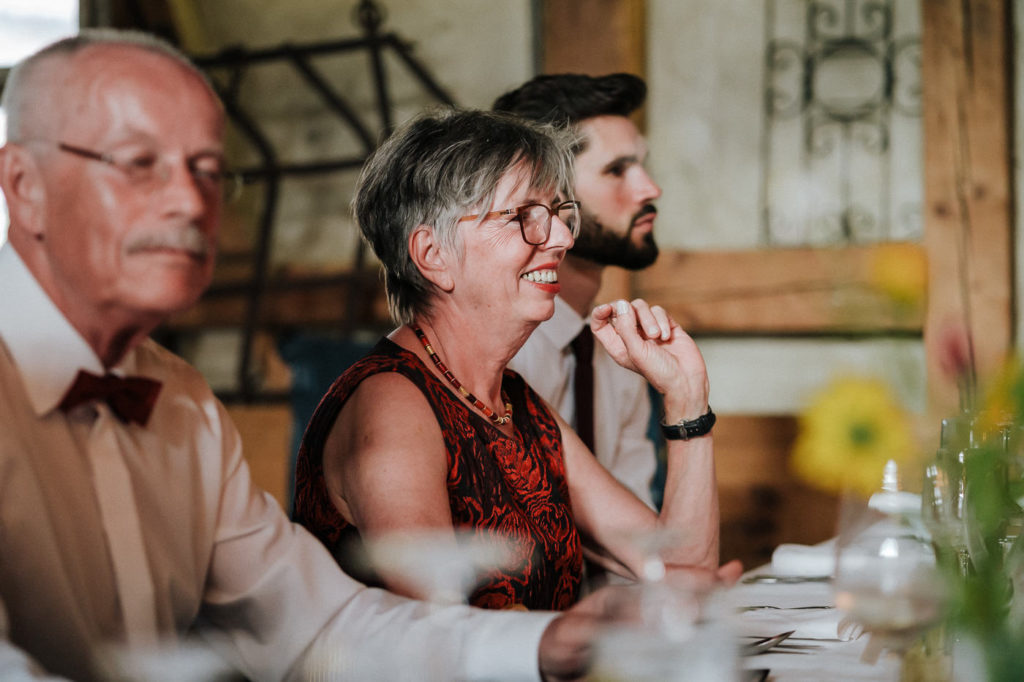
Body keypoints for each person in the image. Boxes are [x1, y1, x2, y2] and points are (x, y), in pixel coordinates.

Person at [0, 29, 612, 682]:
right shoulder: (388, 398)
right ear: (24, 184)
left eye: (208, 169)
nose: (190, 201)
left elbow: (315, 623)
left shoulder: (180, 402)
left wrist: (542, 645)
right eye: (138, 162)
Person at [292, 107, 724, 612]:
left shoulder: (513, 400)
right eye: (524, 217)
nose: (562, 239)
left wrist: (686, 399)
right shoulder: (392, 405)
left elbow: (681, 574)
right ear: (433, 255)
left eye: (561, 216)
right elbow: (439, 636)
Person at [495, 73, 665, 511]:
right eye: (616, 170)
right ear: (548, 195)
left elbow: (638, 541)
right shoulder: (493, 358)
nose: (650, 190)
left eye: (642, 165)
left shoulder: (616, 359)